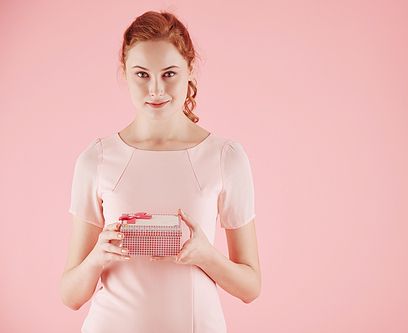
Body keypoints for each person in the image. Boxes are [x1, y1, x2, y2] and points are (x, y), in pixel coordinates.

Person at [60, 11, 261, 333]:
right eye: (142, 74)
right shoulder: (96, 158)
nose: (155, 89)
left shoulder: (225, 157)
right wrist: (97, 256)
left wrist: (206, 255)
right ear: (124, 73)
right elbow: (70, 297)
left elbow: (250, 288)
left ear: (190, 71)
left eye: (169, 73)